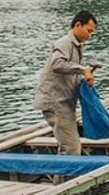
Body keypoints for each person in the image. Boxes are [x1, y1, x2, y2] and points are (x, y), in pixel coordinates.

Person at [34, 10, 98, 155]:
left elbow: (69, 71)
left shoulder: (77, 45)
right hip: (55, 103)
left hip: (65, 103)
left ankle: (62, 177)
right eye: (89, 31)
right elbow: (56, 64)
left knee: (68, 146)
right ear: (78, 25)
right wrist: (82, 70)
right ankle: (69, 178)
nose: (90, 35)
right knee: (71, 148)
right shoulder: (65, 43)